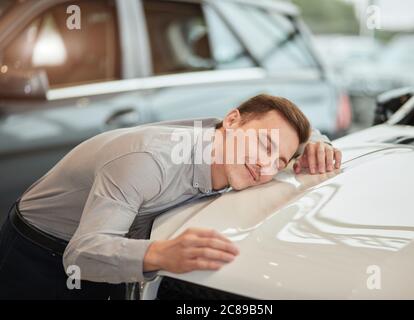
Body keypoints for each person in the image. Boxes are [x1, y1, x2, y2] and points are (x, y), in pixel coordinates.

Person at [0, 94, 341, 299]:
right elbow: (82, 255)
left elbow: (291, 136)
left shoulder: (235, 149)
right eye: (264, 144)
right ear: (232, 121)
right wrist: (163, 253)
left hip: (121, 251)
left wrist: (317, 143)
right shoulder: (149, 162)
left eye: (279, 161)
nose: (266, 164)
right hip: (39, 253)